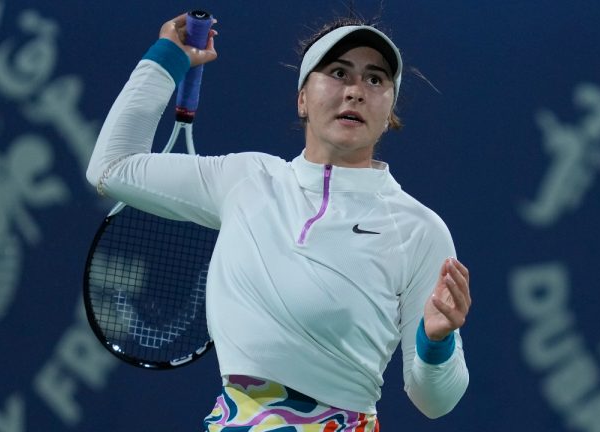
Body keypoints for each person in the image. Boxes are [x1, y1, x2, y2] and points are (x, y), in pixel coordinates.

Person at [86, 11, 471, 431]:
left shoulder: (418, 230)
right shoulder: (246, 180)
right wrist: (165, 61)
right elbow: (111, 166)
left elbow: (434, 401)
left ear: (390, 110)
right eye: (339, 73)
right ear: (302, 98)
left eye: (375, 80)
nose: (356, 91)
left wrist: (437, 342)